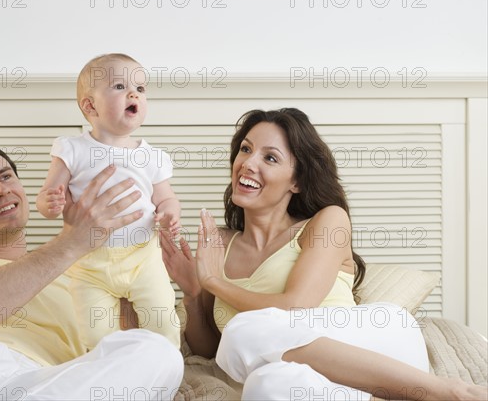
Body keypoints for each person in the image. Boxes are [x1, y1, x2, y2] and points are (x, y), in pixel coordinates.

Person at [160, 108, 487, 400]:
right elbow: (213, 351)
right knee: (266, 384)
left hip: (377, 344)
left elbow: (295, 306)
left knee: (243, 330)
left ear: (298, 182)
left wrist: (214, 283)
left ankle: (450, 391)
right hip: (314, 374)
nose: (248, 162)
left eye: (270, 157)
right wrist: (192, 292)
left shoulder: (327, 220)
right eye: (245, 149)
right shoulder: (218, 242)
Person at [0, 131, 183, 400]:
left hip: (52, 385)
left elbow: (119, 347)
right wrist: (72, 242)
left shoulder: (87, 270)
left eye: (6, 177)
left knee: (159, 354)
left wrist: (189, 288)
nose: (1, 191)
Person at [36, 53, 181, 350]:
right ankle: (106, 379)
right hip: (90, 263)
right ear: (90, 105)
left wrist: (169, 213)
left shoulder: (151, 156)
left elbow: (166, 197)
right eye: (119, 86)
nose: (133, 94)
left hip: (143, 258)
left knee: (162, 319)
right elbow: (49, 193)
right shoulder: (72, 149)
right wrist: (49, 203)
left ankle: (167, 373)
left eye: (140, 89)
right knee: (95, 334)